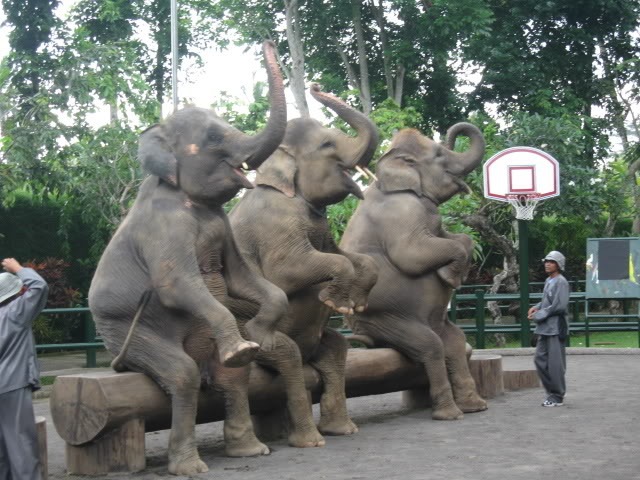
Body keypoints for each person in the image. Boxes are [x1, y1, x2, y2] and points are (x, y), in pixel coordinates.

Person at [0, 258, 49, 480]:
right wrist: (18, 269)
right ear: (16, 292)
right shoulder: (16, 312)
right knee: (21, 443)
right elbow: (39, 286)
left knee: (2, 447)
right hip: (12, 385)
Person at [528, 251, 570, 407]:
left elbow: (559, 306)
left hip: (556, 328)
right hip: (545, 327)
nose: (547, 264)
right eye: (546, 261)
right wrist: (537, 307)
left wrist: (539, 315)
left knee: (555, 364)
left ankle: (557, 396)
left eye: (551, 262)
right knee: (539, 360)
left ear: (559, 265)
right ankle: (552, 392)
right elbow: (547, 301)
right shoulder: (549, 280)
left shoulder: (561, 282)